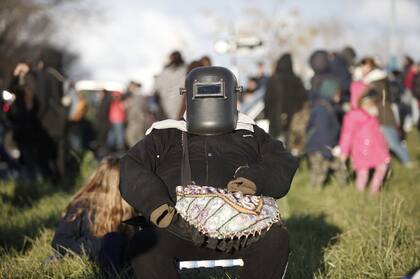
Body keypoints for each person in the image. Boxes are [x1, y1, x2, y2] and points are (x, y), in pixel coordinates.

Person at [120, 66, 298, 279]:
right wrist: (156, 205)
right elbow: (131, 165)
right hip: (177, 225)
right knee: (145, 245)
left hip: (241, 228)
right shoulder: (165, 133)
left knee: (275, 238)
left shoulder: (249, 133)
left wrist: (254, 179)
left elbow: (283, 161)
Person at [52, 156, 134, 275]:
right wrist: (97, 246)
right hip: (90, 262)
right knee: (113, 240)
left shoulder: (130, 206)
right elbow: (60, 241)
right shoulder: (82, 206)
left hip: (121, 264)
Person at [360, 57, 413, 167]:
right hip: (380, 115)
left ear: (369, 66)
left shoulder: (376, 81)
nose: (361, 69)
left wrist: (367, 99)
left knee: (393, 143)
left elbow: (379, 97)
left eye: (363, 66)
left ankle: (408, 163)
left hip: (384, 115)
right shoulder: (375, 80)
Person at [339, 82, 390, 194]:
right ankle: (359, 193)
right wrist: (344, 152)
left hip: (377, 148)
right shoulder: (353, 116)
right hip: (362, 150)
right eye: (366, 102)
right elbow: (347, 134)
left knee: (382, 167)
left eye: (371, 101)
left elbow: (380, 131)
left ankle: (374, 190)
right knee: (363, 173)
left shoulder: (374, 114)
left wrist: (385, 143)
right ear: (358, 101)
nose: (370, 104)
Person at [306, 78, 347, 187]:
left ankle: (342, 189)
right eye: (337, 93)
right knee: (319, 175)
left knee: (337, 170)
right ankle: (314, 195)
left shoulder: (327, 107)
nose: (340, 95)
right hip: (320, 148)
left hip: (323, 147)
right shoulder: (322, 110)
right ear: (330, 92)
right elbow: (322, 131)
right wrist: (327, 150)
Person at [264, 53, 307, 142]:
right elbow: (303, 100)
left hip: (275, 120)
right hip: (292, 120)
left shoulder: (273, 80)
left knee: (275, 147)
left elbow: (267, 100)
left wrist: (267, 115)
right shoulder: (296, 80)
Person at [153, 50, 187, 120]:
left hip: (180, 104)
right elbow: (157, 87)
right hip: (166, 106)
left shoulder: (185, 70)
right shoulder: (165, 72)